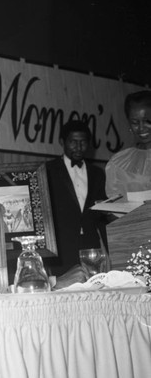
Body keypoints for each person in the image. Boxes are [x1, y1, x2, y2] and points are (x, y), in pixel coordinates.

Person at [45, 119, 110, 288]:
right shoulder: (46, 170)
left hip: (91, 246)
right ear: (62, 142)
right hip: (61, 247)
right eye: (73, 142)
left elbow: (102, 215)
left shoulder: (98, 173)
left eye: (83, 142)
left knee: (94, 290)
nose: (78, 147)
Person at [105, 90, 151, 199]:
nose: (141, 128)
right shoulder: (118, 162)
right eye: (135, 122)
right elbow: (114, 203)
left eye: (147, 121)